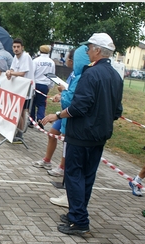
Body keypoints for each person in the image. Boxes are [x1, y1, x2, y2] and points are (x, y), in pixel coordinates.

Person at [42, 33, 123, 235]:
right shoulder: (115, 76)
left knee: (75, 175)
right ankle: (76, 214)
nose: (87, 52)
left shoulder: (91, 74)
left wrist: (57, 115)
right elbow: (117, 111)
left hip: (82, 134)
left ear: (97, 50)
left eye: (89, 48)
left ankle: (79, 221)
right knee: (87, 176)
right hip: (99, 135)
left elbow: (79, 107)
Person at [45, 46, 90, 208]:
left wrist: (63, 94)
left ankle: (72, 202)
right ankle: (76, 205)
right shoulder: (87, 75)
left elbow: (72, 102)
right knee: (82, 169)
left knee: (74, 166)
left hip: (76, 126)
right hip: (88, 130)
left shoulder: (82, 77)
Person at [33, 49, 76, 178]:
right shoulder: (73, 73)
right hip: (63, 112)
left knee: (65, 139)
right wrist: (60, 94)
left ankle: (62, 167)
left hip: (69, 113)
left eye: (68, 58)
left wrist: (63, 91)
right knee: (52, 133)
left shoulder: (80, 75)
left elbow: (73, 94)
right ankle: (47, 160)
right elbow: (68, 91)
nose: (66, 60)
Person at [5, 38, 35, 140]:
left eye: (18, 47)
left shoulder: (25, 56)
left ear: (22, 47)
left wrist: (10, 73)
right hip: (19, 89)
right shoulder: (15, 57)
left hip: (26, 90)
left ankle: (20, 133)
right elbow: (13, 68)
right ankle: (19, 132)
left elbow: (22, 73)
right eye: (14, 47)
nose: (16, 49)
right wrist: (10, 72)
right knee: (20, 111)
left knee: (20, 111)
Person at [30, 45, 56, 129]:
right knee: (41, 104)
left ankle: (31, 121)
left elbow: (32, 73)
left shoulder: (36, 61)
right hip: (45, 85)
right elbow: (52, 75)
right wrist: (50, 86)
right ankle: (40, 119)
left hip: (36, 84)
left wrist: (31, 84)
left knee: (33, 102)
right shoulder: (51, 62)